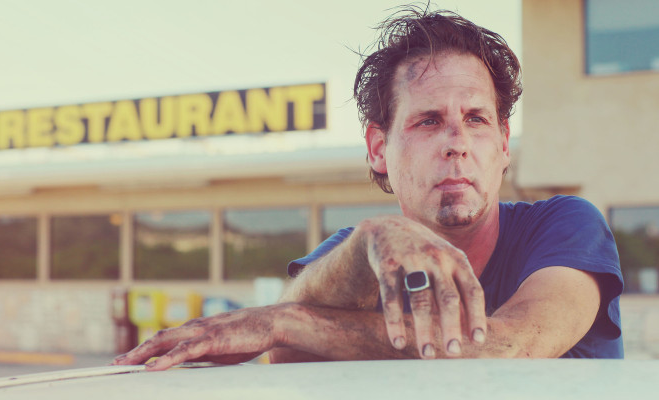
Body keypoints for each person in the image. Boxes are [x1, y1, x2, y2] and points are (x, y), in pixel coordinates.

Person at [111, 5, 623, 371]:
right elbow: (289, 357)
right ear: (379, 148)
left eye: (476, 119)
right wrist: (356, 255)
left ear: (504, 143)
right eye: (428, 120)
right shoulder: (356, 251)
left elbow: (515, 348)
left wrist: (289, 322)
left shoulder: (566, 224)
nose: (457, 143)